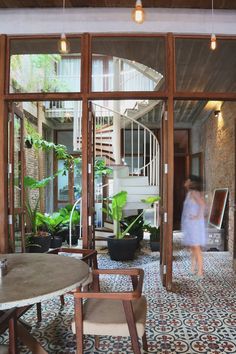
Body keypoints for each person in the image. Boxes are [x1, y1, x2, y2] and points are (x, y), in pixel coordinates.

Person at [181, 175, 206, 278]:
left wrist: (197, 216)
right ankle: (192, 269)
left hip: (195, 224)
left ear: (191, 182)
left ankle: (200, 272)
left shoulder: (194, 193)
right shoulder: (189, 193)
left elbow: (203, 205)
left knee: (196, 247)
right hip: (190, 224)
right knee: (193, 246)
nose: (185, 181)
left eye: (187, 180)